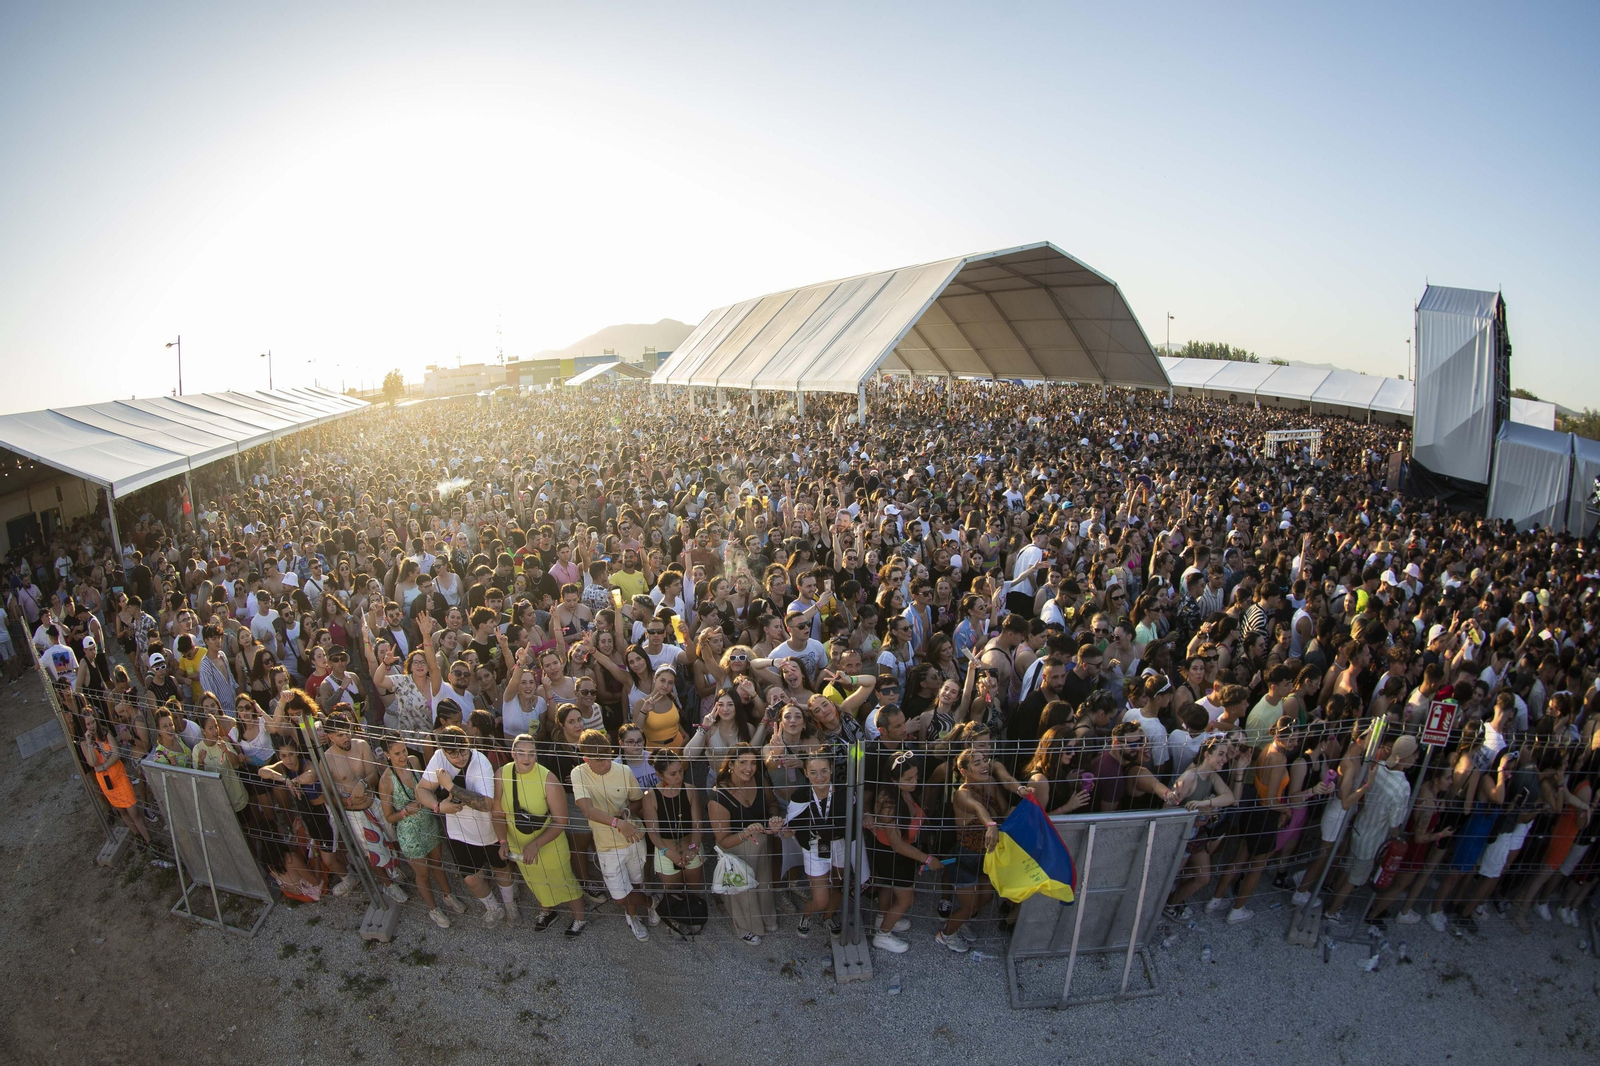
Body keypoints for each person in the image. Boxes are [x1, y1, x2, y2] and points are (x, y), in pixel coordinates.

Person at [417, 725, 517, 923]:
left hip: (488, 831)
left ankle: (510, 905)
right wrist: (438, 806)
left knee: (501, 869)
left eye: (463, 750)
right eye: (453, 754)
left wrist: (450, 786)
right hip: (459, 834)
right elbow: (421, 790)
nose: (460, 757)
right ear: (443, 751)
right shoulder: (438, 757)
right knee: (471, 879)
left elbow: (486, 804)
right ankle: (493, 908)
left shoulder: (481, 763)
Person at [494, 734, 587, 935]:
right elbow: (498, 813)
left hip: (549, 845)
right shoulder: (501, 774)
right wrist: (502, 841)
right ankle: (547, 911)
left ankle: (580, 918)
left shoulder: (548, 779)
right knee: (535, 880)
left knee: (564, 881)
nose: (526, 758)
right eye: (521, 753)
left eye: (531, 753)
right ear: (513, 753)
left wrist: (535, 845)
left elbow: (561, 821)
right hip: (519, 844)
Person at [570, 728, 652, 939]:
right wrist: (618, 823)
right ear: (586, 759)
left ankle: (633, 917)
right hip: (606, 845)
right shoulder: (578, 773)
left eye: (608, 756)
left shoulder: (623, 771)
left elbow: (637, 800)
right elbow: (587, 810)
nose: (606, 763)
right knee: (619, 897)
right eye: (599, 760)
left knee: (636, 883)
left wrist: (627, 813)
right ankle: (653, 903)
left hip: (633, 839)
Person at [378, 736, 459, 928]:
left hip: (429, 823)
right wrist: (405, 811)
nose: (403, 756)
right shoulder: (386, 781)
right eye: (397, 753)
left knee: (438, 863)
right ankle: (433, 909)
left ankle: (448, 895)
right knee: (422, 873)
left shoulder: (414, 762)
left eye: (404, 750)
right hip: (410, 834)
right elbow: (388, 817)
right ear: (387, 755)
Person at [708, 744, 782, 945]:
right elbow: (723, 840)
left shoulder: (759, 780)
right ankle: (745, 928)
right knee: (742, 890)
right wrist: (746, 833)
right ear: (731, 765)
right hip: (735, 849)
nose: (749, 768)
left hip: (762, 845)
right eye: (743, 762)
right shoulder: (718, 796)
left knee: (764, 882)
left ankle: (766, 919)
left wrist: (773, 818)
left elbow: (772, 804)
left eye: (753, 763)